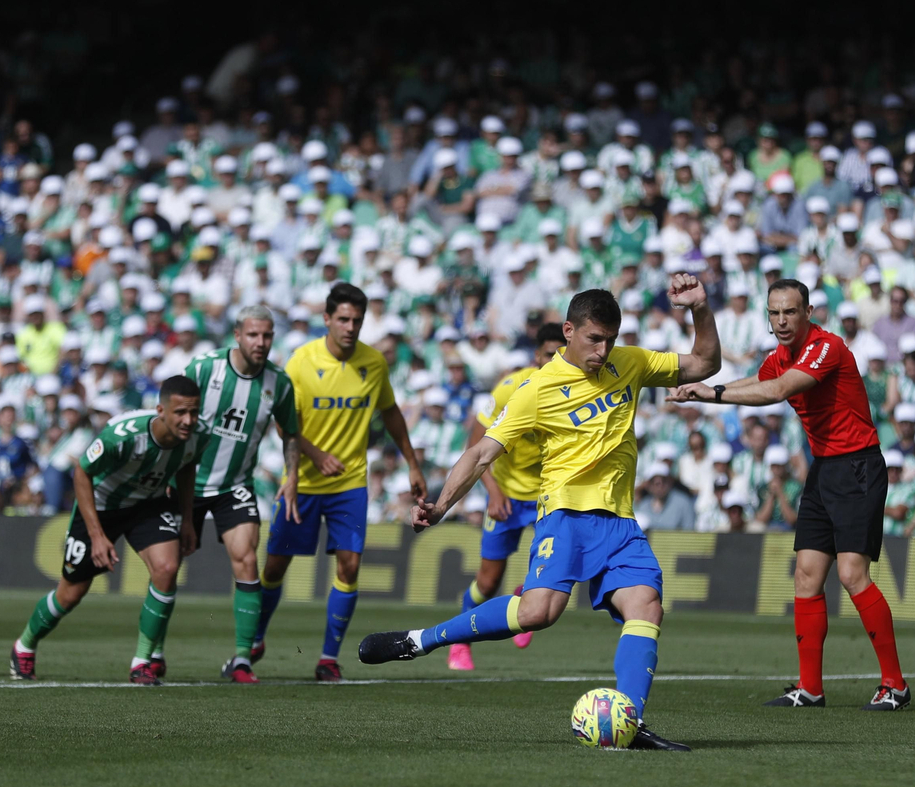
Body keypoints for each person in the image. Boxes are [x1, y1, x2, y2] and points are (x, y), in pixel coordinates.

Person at [359, 275, 720, 751]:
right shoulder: (536, 389)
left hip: (621, 522)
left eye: (610, 340)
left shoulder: (630, 362)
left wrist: (699, 308)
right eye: (594, 339)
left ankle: (629, 720)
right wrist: (442, 505)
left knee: (646, 606)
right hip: (565, 515)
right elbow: (481, 453)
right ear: (569, 331)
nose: (603, 351)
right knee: (537, 613)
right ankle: (421, 640)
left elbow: (704, 363)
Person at [669, 277, 910, 712]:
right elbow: (758, 379)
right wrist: (707, 391)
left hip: (857, 465)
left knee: (852, 575)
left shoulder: (825, 347)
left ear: (808, 313)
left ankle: (895, 685)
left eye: (790, 312)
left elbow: (778, 390)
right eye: (774, 313)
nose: (781, 321)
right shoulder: (781, 355)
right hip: (824, 468)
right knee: (806, 576)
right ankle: (810, 688)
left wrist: (714, 393)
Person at [255, 282, 427, 682]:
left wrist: (412, 464)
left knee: (349, 567)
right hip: (303, 482)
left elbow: (392, 413)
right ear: (327, 319)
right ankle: (254, 637)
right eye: (344, 319)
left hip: (349, 484)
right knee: (275, 566)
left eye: (357, 321)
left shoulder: (373, 363)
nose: (350, 327)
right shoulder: (301, 362)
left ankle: (328, 658)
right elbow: (284, 422)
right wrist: (316, 456)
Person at [9, 376, 205, 685]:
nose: (188, 420)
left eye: (194, 412)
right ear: (160, 410)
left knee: (167, 568)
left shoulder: (198, 435)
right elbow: (82, 472)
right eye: (180, 412)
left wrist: (188, 519)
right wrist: (98, 535)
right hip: (100, 507)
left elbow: (186, 467)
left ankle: (143, 661)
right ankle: (24, 645)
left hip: (147, 505)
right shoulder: (123, 436)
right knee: (70, 594)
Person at [181, 306, 315, 684]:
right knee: (166, 567)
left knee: (246, 562)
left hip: (235, 485)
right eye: (253, 335)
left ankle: (242, 660)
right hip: (189, 482)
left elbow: (290, 434)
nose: (261, 342)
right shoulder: (203, 369)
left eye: (267, 336)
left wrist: (292, 476)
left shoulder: (279, 383)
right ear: (237, 335)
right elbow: (173, 417)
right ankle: (149, 657)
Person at [444, 322, 568, 671]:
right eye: (549, 354)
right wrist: (494, 492)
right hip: (508, 496)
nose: (555, 360)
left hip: (550, 498)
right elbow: (475, 445)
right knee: (487, 582)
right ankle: (460, 642)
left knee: (556, 571)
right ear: (536, 355)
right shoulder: (511, 388)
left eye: (561, 353)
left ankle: (526, 598)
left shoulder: (579, 390)